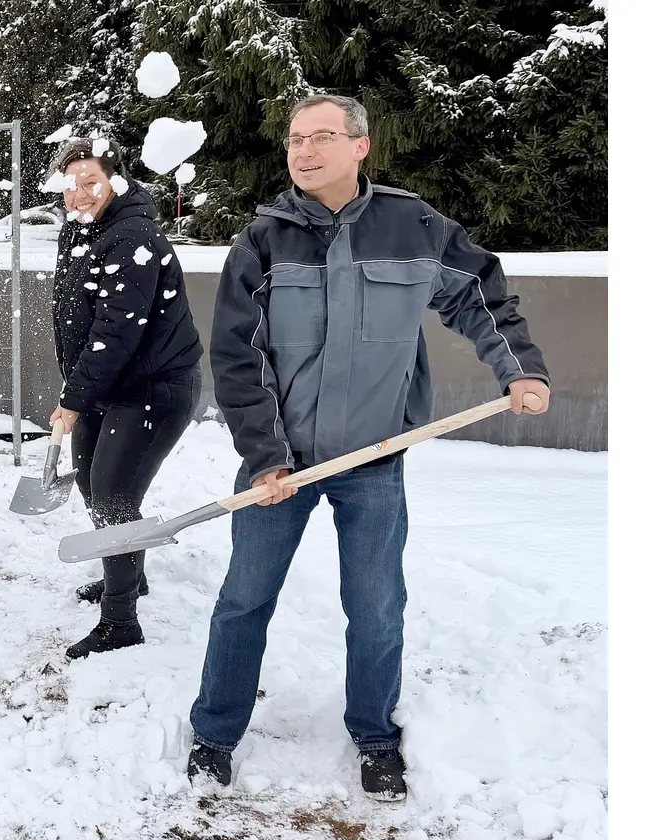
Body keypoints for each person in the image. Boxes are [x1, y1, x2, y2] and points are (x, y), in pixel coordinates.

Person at [186, 95, 552, 800]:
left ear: (360, 147)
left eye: (321, 136)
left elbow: (480, 294)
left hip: (376, 458)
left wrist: (521, 369)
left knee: (378, 605)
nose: (304, 150)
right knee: (243, 601)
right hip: (280, 464)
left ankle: (376, 735)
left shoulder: (411, 224)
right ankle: (214, 732)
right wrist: (265, 455)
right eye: (295, 138)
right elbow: (236, 356)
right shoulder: (262, 241)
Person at [46, 137, 204, 659]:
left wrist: (72, 398)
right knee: (93, 484)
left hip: (153, 388)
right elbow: (77, 320)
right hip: (108, 385)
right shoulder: (80, 231)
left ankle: (120, 621)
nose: (80, 194)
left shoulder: (133, 236)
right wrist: (78, 388)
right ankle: (128, 576)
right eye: (71, 184)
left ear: (116, 180)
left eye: (91, 181)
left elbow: (117, 331)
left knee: (113, 495)